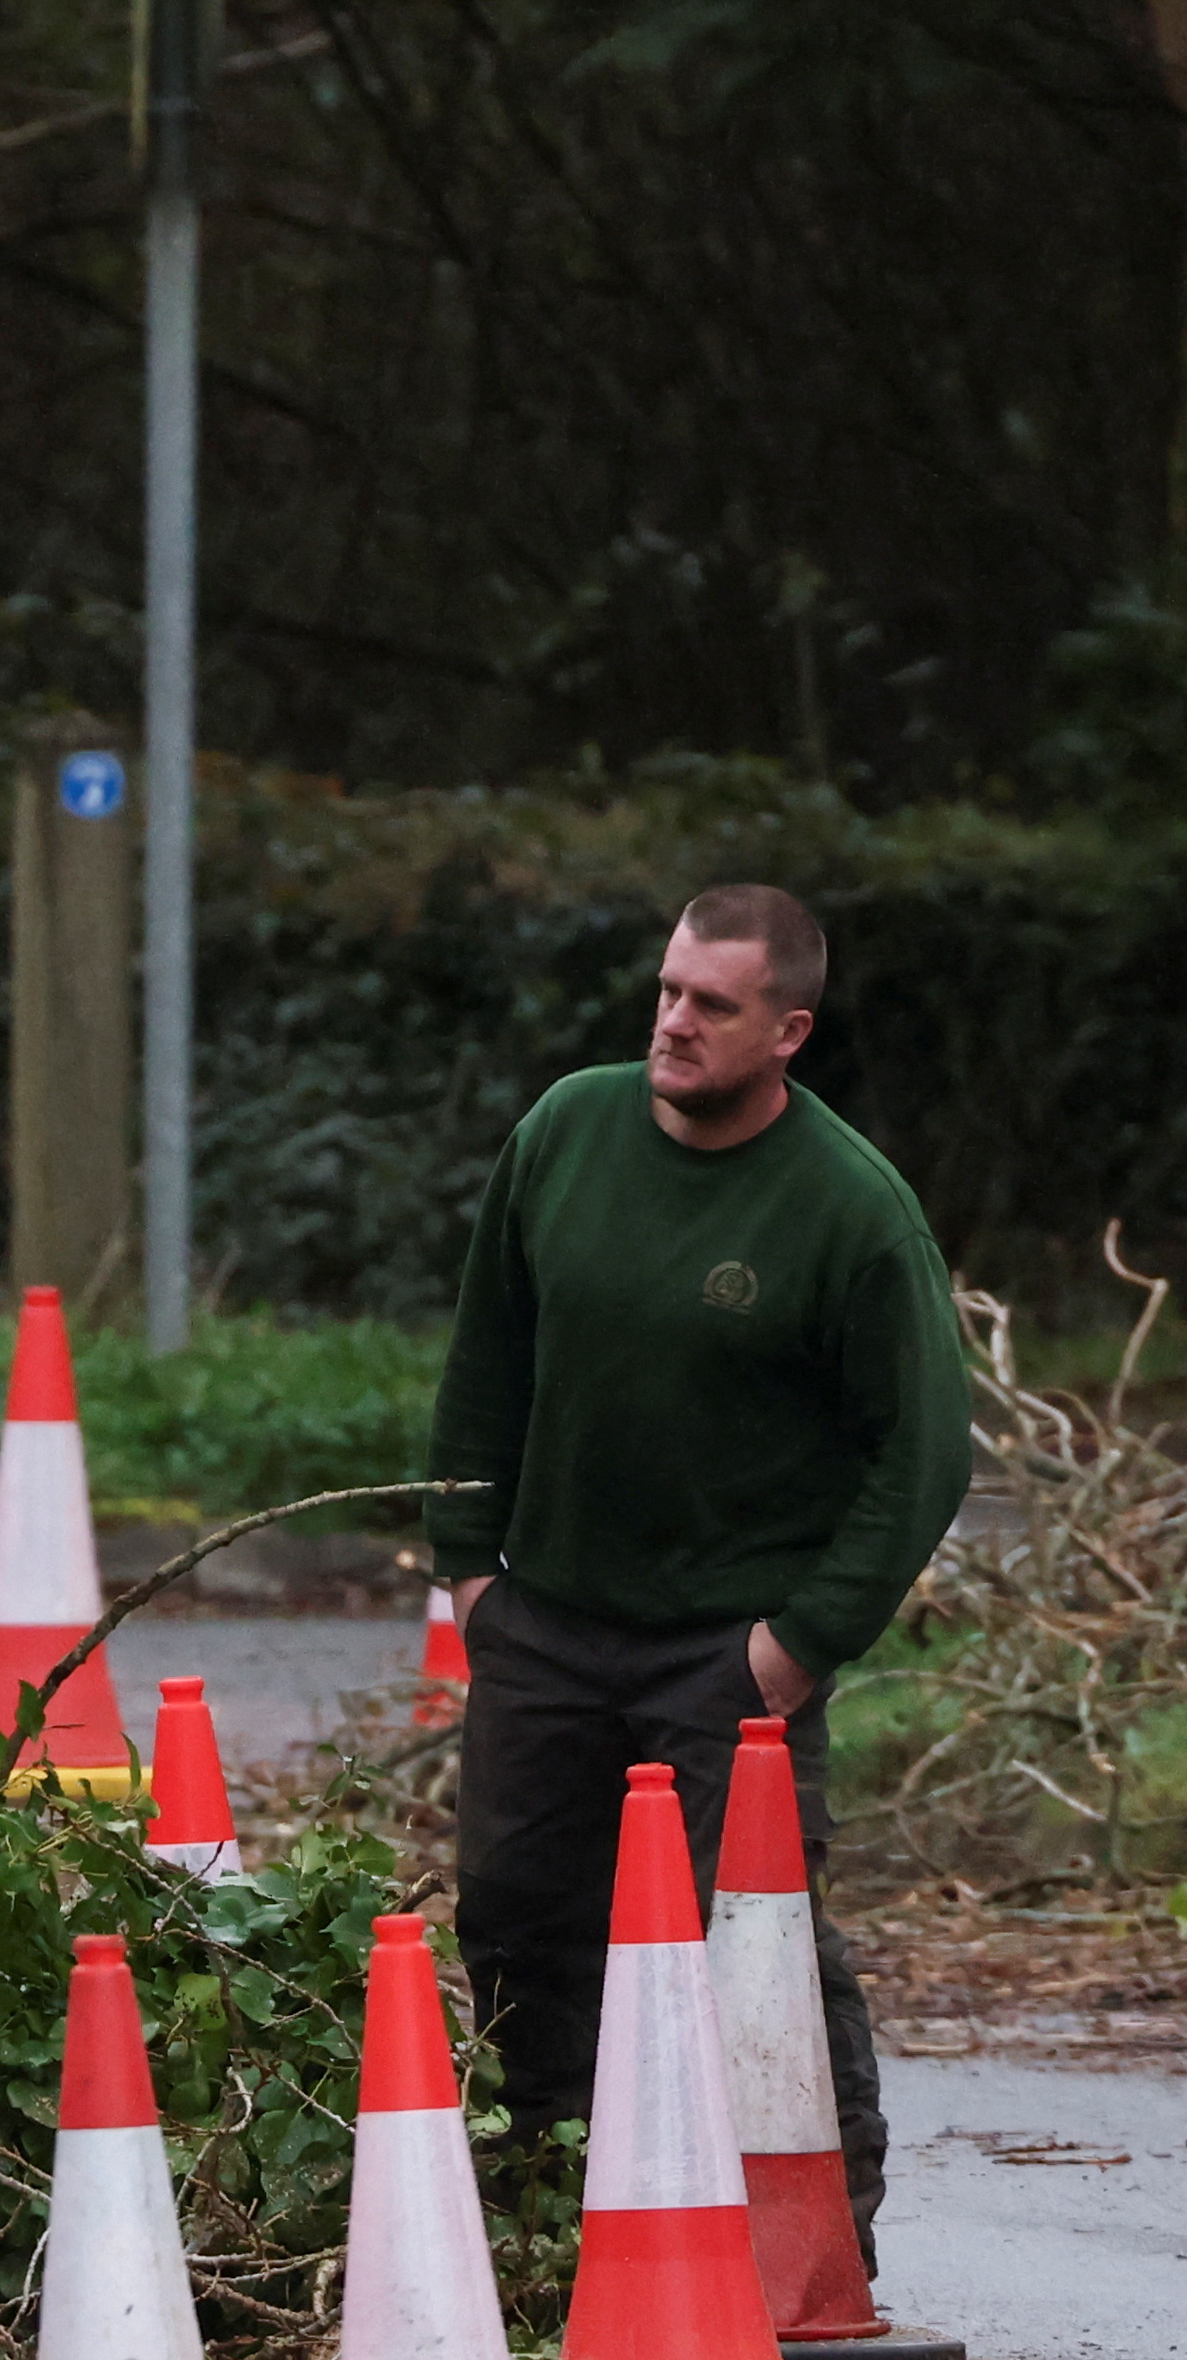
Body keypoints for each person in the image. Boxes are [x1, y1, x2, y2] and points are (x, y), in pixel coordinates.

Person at [426, 884, 969, 2266]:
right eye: (668, 991)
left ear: (787, 1029)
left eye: (711, 1006)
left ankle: (811, 2257)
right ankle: (551, 2232)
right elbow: (486, 1360)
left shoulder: (851, 1212)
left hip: (729, 1647)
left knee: (760, 1944)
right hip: (545, 1622)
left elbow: (922, 1459)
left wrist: (797, 1647)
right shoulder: (566, 1131)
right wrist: (469, 1573)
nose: (673, 1023)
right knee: (519, 1923)